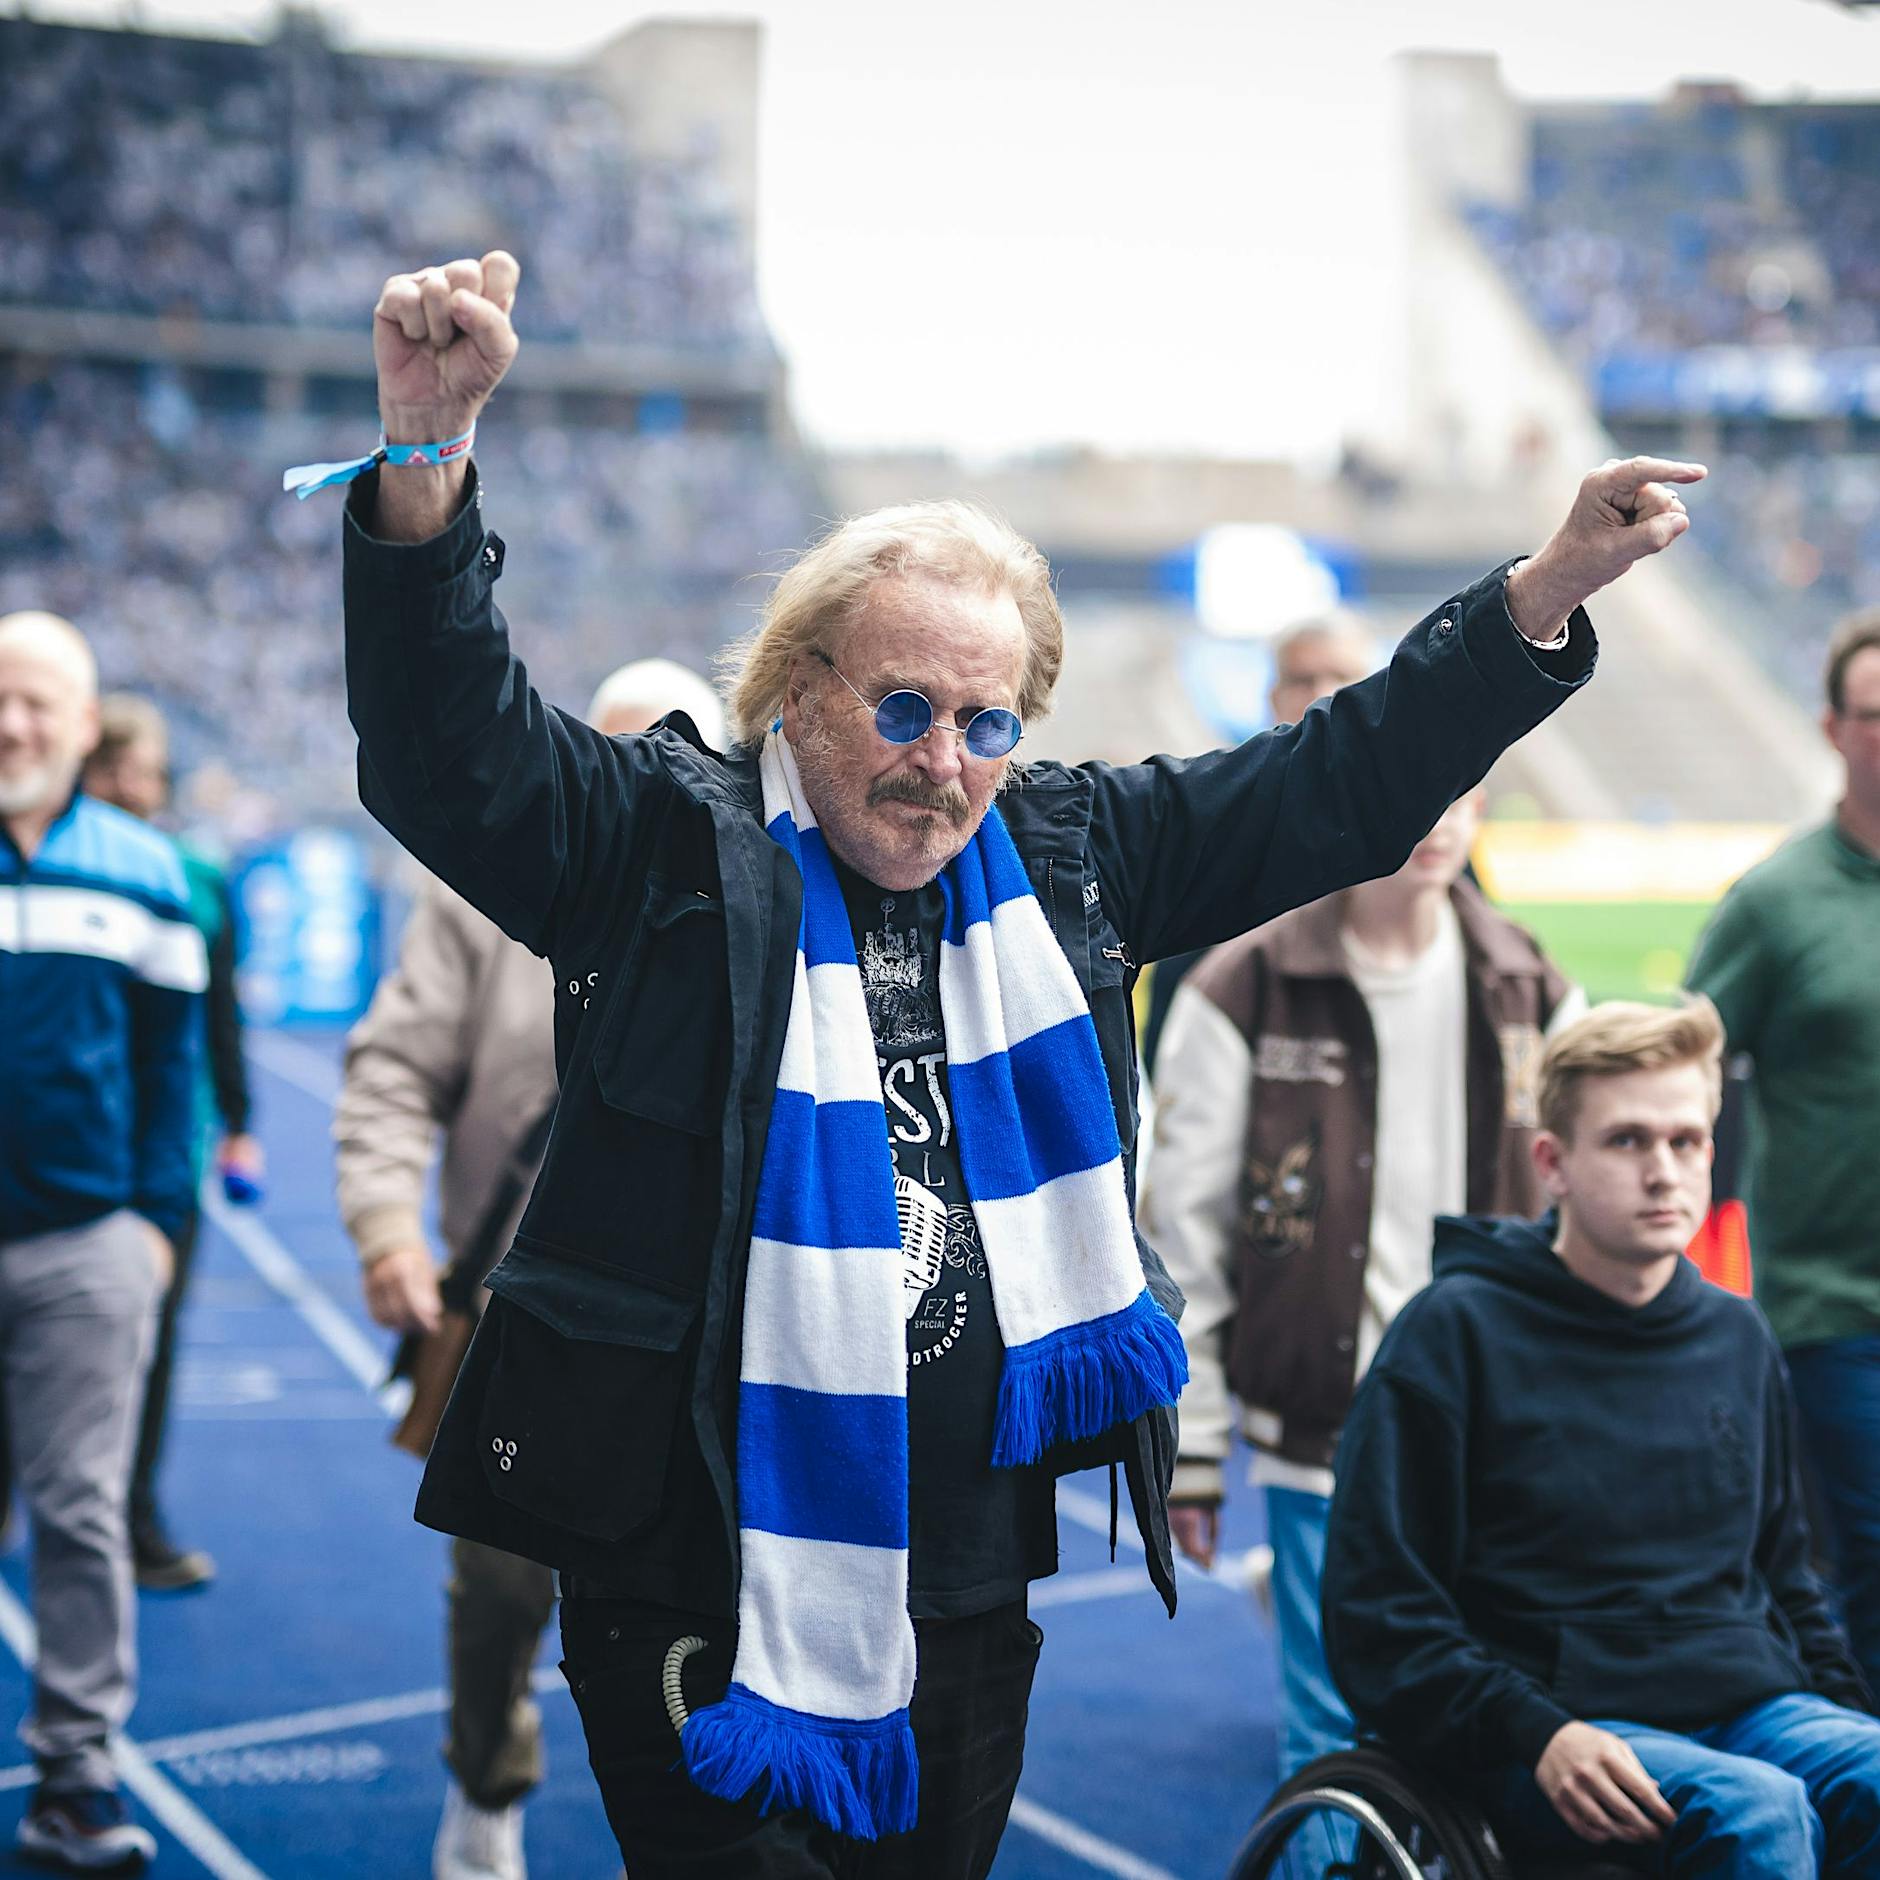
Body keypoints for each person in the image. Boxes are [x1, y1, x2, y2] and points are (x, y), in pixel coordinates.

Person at [332, 247, 1699, 1878]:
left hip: (973, 1565)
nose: (944, 765)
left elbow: (1339, 782)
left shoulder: (1075, 853)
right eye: (906, 707)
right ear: (797, 686)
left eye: (988, 723)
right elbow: (447, 752)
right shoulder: (657, 844)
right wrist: (423, 464)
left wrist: (1540, 592)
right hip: (687, 1548)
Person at [1322, 1000, 1880, 1876]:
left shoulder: (1739, 1336)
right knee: (1758, 1811)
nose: (1665, 1172)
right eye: (1628, 1141)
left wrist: (1852, 1719)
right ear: (1553, 1163)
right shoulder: (1453, 1336)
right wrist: (1537, 1732)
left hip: (1748, 1702)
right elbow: (1379, 1615)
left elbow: (1785, 1576)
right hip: (1549, 1724)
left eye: (1687, 1141)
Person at [334, 660, 726, 1880]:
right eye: (612, 750)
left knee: (691, 1600)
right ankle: (487, 1781)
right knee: (502, 1588)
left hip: (688, 1327)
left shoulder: (759, 902)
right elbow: (395, 1068)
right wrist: (387, 1224)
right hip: (517, 1311)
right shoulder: (477, 897)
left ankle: (690, 1824)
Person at [1142, 786, 1581, 1807]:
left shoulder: (1525, 981)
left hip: (1493, 1433)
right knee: (1328, 1725)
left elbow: (1578, 1211)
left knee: (1493, 1720)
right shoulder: (1246, 980)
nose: (1434, 816)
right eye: (1415, 784)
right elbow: (1183, 1235)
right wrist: (1191, 1442)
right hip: (1316, 1430)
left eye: (1462, 792)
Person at [0, 613, 207, 1873]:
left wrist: (153, 1229)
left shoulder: (145, 869)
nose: (14, 723)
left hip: (86, 1245)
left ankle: (72, 1776)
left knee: (78, 1510)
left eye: (39, 703)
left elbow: (168, 1070)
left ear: (84, 726)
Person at [1685, 607, 1880, 1701]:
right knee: (1864, 1573)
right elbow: (1678, 1065)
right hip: (1833, 1313)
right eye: (1875, 714)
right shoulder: (1777, 899)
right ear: (1830, 727)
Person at [81, 691, 264, 1592]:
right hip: (58, 1146)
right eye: (115, 769)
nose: (130, 787)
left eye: (145, 773)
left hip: (164, 1145)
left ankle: (133, 1515)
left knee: (149, 1339)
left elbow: (220, 1012)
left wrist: (239, 1124)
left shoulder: (193, 876)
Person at [1138, 611, 1373, 1076]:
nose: (1322, 692)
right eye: (1303, 678)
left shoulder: (1425, 823)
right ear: (1273, 697)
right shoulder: (1224, 815)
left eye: (1341, 676)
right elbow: (1177, 988)